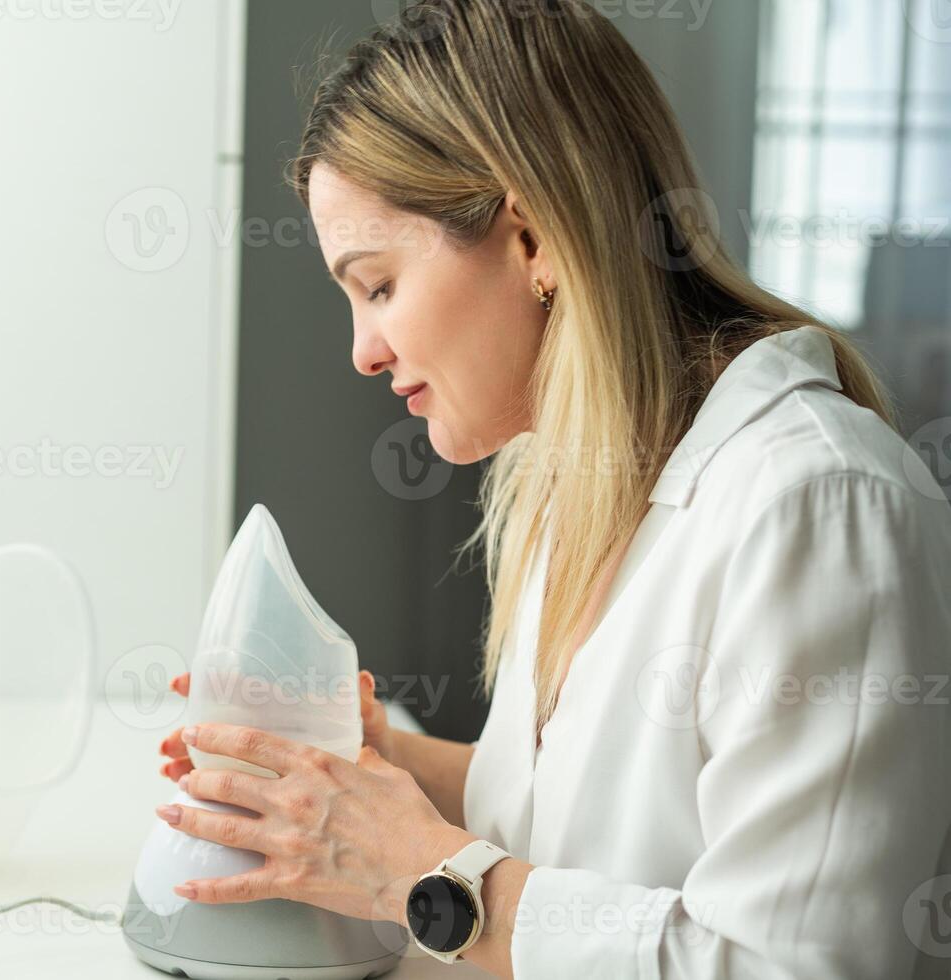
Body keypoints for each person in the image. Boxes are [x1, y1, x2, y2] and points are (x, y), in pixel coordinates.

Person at [153, 1, 951, 977]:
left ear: (529, 237)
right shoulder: (572, 482)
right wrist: (373, 774)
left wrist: (414, 872)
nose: (363, 350)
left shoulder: (819, 504)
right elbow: (583, 834)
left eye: (378, 285)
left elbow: (792, 964)